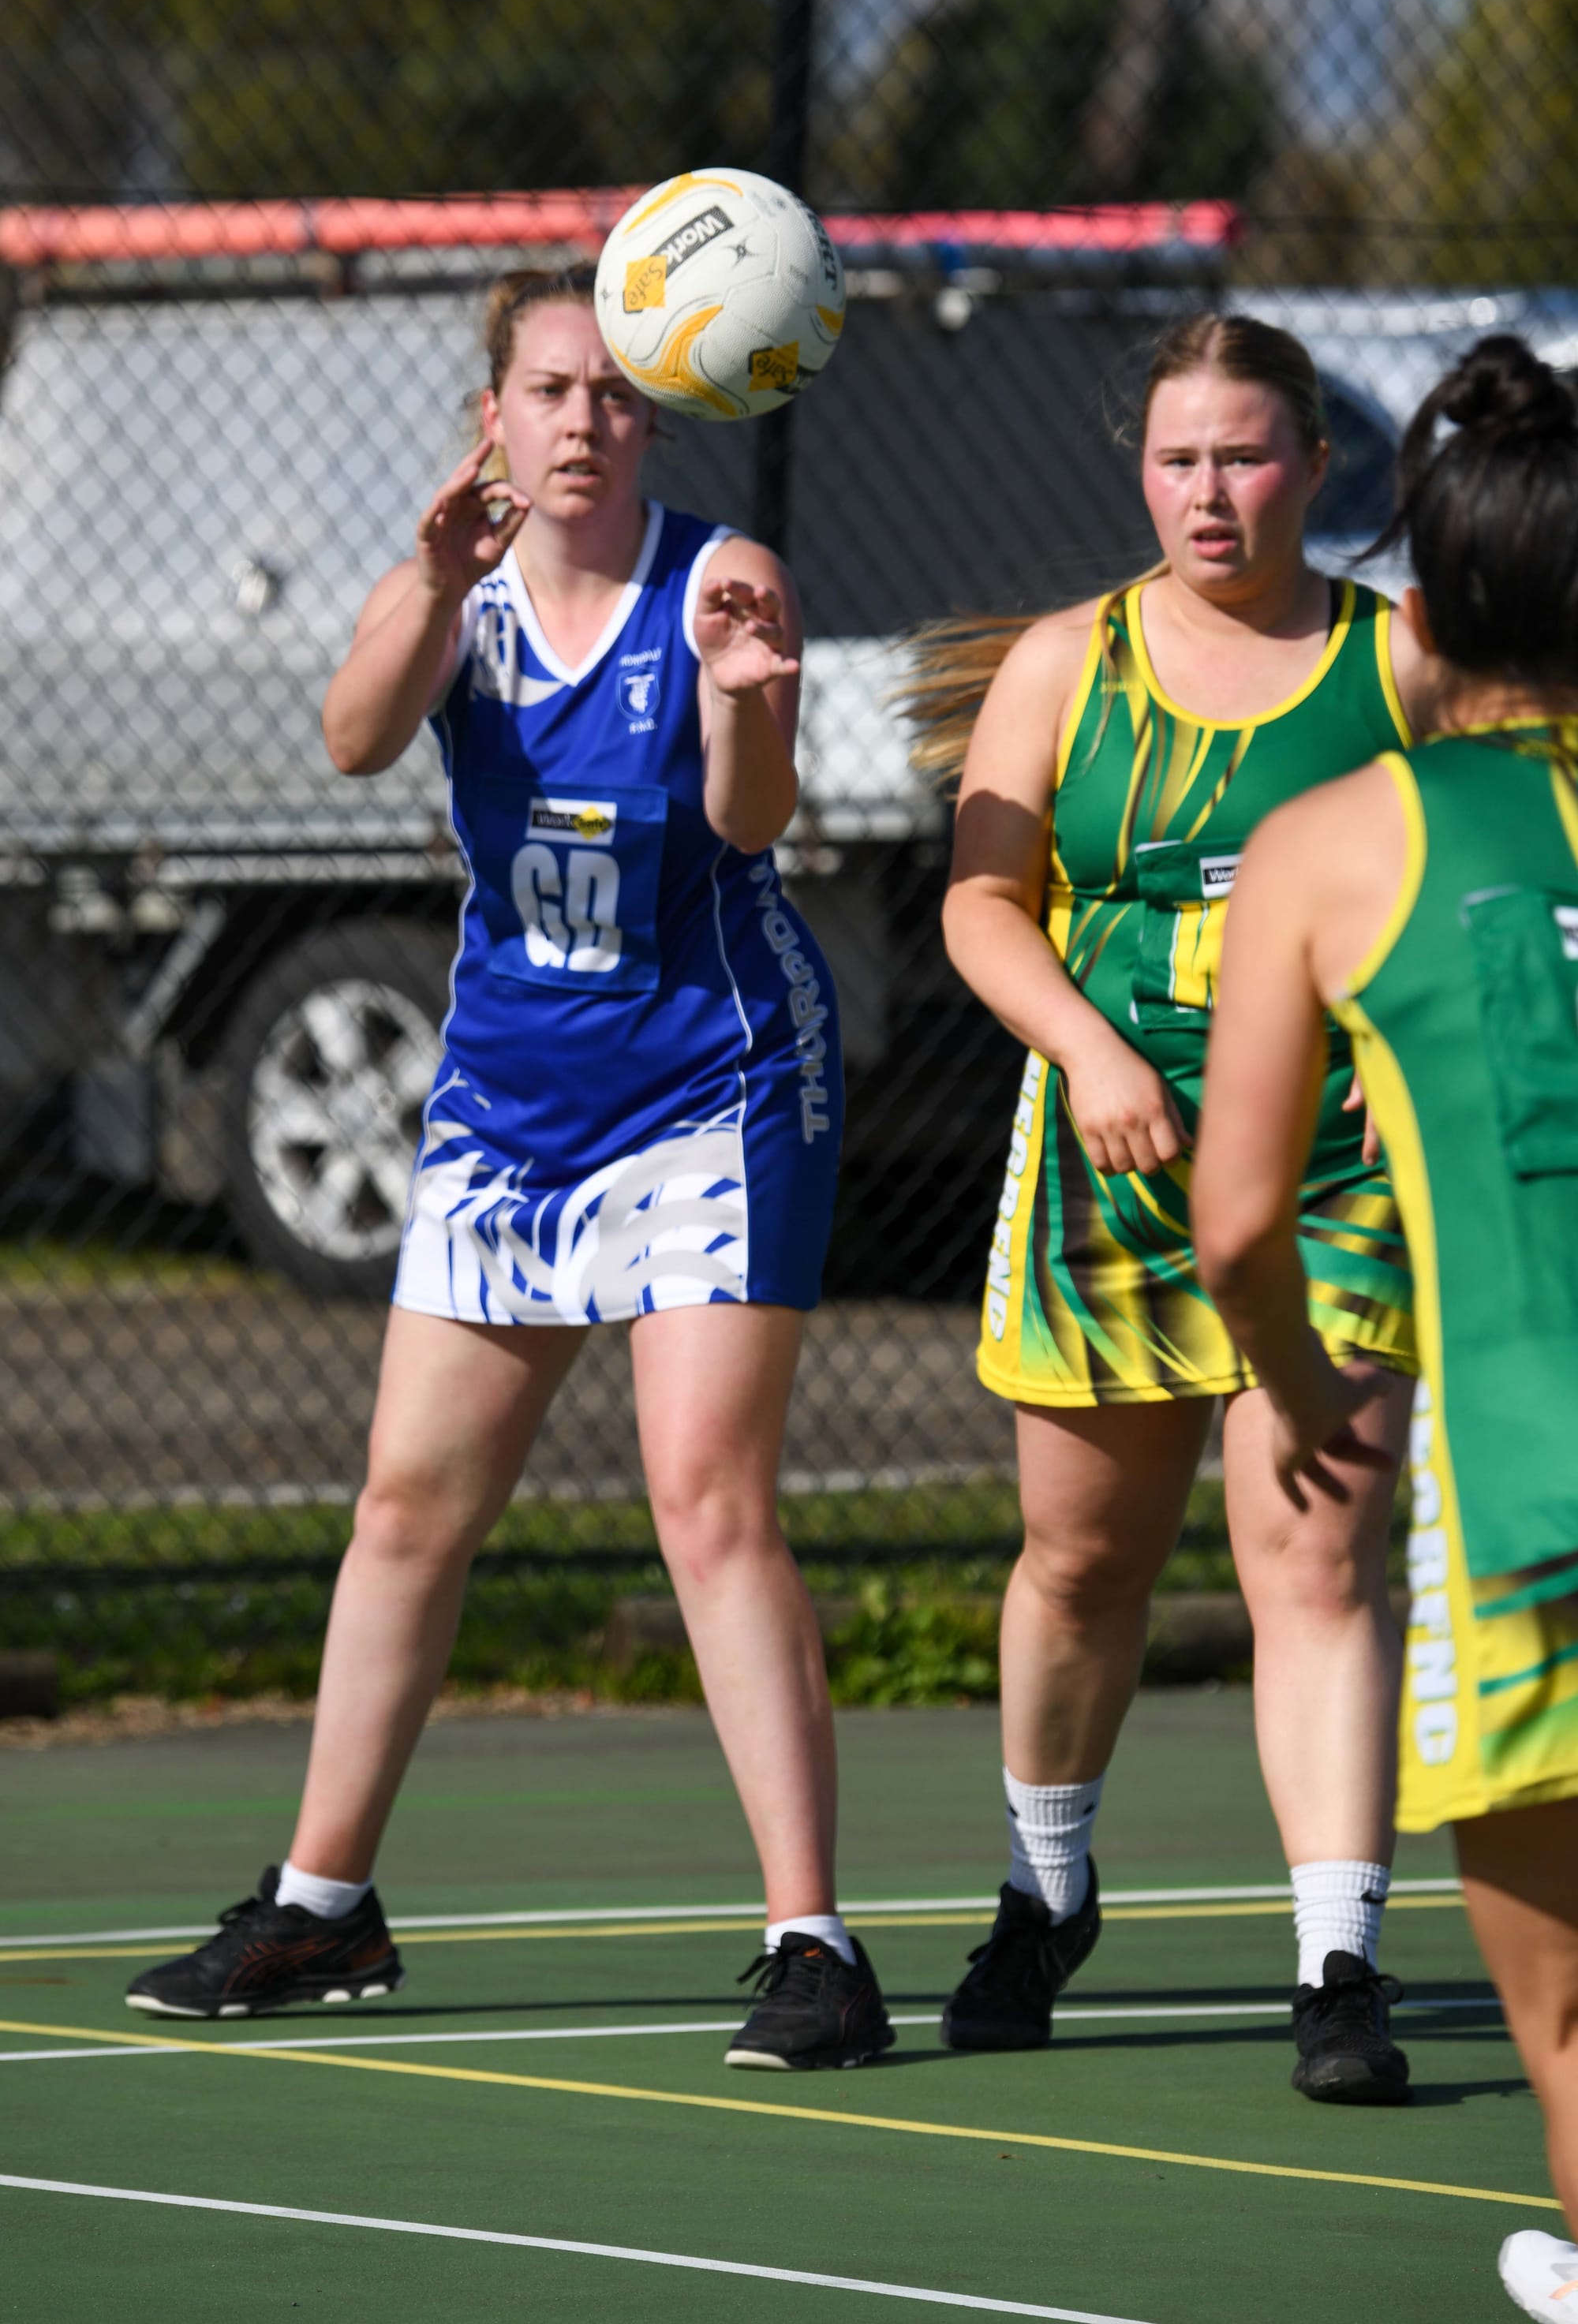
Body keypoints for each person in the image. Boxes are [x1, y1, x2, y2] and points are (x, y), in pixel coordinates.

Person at [124, 267, 892, 2073]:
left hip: (711, 1082)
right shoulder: (457, 597)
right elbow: (350, 735)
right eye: (547, 388)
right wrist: (427, 580)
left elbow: (750, 823)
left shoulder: (711, 585)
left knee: (704, 1497)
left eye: (615, 396)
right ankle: (322, 1903)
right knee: (409, 1507)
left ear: (659, 416)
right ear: (494, 411)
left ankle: (815, 1942)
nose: (578, 422)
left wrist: (755, 695)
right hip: (509, 1102)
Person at [907, 314, 1432, 2100]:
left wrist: (1411, 1040)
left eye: (1249, 454)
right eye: (1179, 458)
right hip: (1107, 1177)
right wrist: (1089, 1050)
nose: (1213, 492)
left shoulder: (1406, 662)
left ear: (1317, 463)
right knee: (1081, 1560)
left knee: (1316, 1557)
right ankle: (1043, 1888)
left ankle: (1338, 1958)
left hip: (1339, 1180)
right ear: (1141, 467)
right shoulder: (1070, 662)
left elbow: (1494, 864)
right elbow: (985, 907)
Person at [1192, 334, 1578, 2315]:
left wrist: (1289, 1384)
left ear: (1413, 613)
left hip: (1534, 1500)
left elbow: (1236, 1212)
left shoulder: (1339, 846)